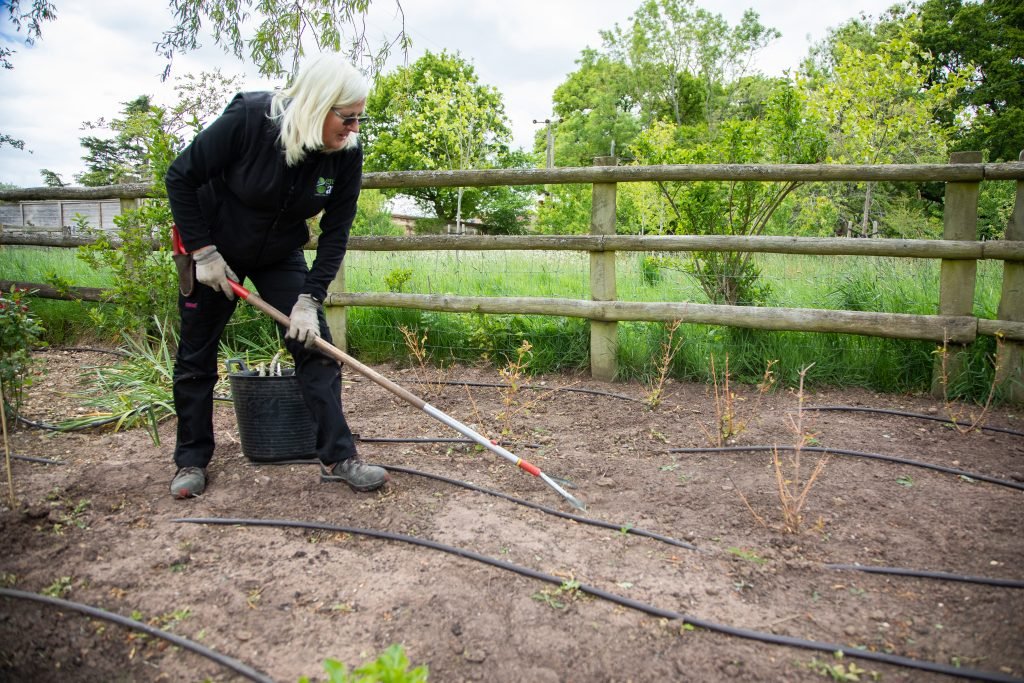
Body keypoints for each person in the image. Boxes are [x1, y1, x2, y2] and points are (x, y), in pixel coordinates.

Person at [164, 52, 386, 499]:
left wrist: (309, 299)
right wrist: (203, 251)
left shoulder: (345, 157)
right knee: (196, 356)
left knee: (315, 345)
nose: (355, 129)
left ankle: (339, 456)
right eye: (348, 118)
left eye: (360, 119)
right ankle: (191, 460)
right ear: (318, 104)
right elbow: (180, 177)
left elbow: (335, 232)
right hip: (216, 254)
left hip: (279, 253)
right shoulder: (249, 119)